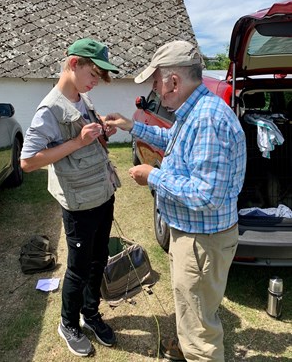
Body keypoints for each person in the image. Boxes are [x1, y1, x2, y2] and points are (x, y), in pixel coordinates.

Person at [106, 40, 247, 362]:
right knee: (191, 306)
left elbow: (205, 194)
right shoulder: (195, 112)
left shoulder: (208, 119)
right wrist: (133, 127)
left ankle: (193, 351)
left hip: (202, 241)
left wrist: (152, 176)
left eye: (156, 83)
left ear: (173, 81)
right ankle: (184, 346)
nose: (156, 90)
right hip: (196, 237)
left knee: (200, 329)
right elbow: (175, 140)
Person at [20, 38, 121, 357]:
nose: (97, 82)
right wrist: (78, 142)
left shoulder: (83, 98)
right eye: (94, 73)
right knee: (79, 268)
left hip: (102, 193)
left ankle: (90, 314)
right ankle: (68, 324)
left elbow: (87, 137)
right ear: (74, 63)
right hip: (79, 203)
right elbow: (28, 161)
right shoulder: (49, 108)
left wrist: (102, 132)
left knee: (99, 259)